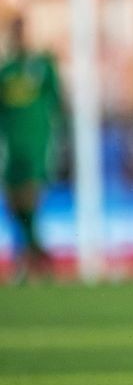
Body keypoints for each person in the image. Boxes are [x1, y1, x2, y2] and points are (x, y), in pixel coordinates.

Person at [0, 18, 62, 283]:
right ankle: (36, 256)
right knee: (14, 204)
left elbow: (57, 103)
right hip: (10, 146)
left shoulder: (43, 67)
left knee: (29, 198)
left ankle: (31, 259)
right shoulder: (6, 71)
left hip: (36, 144)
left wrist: (55, 137)